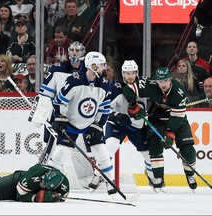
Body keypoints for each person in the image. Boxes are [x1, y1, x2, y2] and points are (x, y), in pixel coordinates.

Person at [46, 51, 117, 200]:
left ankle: (111, 184)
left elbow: (104, 108)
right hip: (71, 122)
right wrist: (60, 119)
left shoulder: (104, 84)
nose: (104, 68)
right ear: (93, 66)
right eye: (102, 65)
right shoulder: (74, 81)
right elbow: (59, 101)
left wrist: (98, 125)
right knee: (63, 151)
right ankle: (47, 182)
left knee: (101, 150)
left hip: (90, 124)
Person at [123, 67, 198, 191]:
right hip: (157, 117)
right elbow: (127, 89)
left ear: (170, 80)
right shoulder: (150, 84)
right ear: (156, 81)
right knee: (154, 146)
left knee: (188, 150)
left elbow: (177, 116)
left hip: (177, 119)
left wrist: (170, 133)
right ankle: (158, 178)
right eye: (160, 81)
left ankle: (190, 175)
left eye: (165, 81)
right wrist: (133, 104)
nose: (163, 84)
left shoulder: (179, 92)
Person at [89, 60, 157, 191]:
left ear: (137, 73)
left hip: (137, 125)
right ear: (122, 73)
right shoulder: (115, 87)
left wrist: (156, 109)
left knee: (147, 153)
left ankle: (153, 177)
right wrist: (116, 116)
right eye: (127, 73)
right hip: (117, 124)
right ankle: (99, 175)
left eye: (132, 73)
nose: (130, 76)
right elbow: (104, 108)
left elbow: (155, 100)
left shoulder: (143, 86)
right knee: (109, 147)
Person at [32, 41, 86, 164]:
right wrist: (41, 113)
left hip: (79, 118)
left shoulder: (87, 73)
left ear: (82, 53)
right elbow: (45, 94)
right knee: (51, 145)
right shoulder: (58, 69)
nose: (74, 53)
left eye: (77, 51)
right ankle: (44, 168)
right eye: (72, 50)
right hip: (59, 117)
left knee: (80, 149)